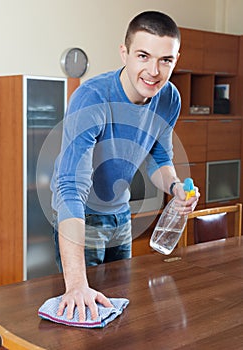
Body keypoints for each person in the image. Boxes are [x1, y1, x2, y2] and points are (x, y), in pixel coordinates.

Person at [50, 10, 200, 322]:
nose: (154, 71)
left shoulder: (169, 98)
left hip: (121, 215)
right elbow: (69, 188)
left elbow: (160, 159)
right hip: (82, 218)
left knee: (120, 312)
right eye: (143, 56)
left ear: (175, 59)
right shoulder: (91, 98)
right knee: (82, 315)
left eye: (165, 60)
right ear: (125, 53)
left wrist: (175, 188)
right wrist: (76, 284)